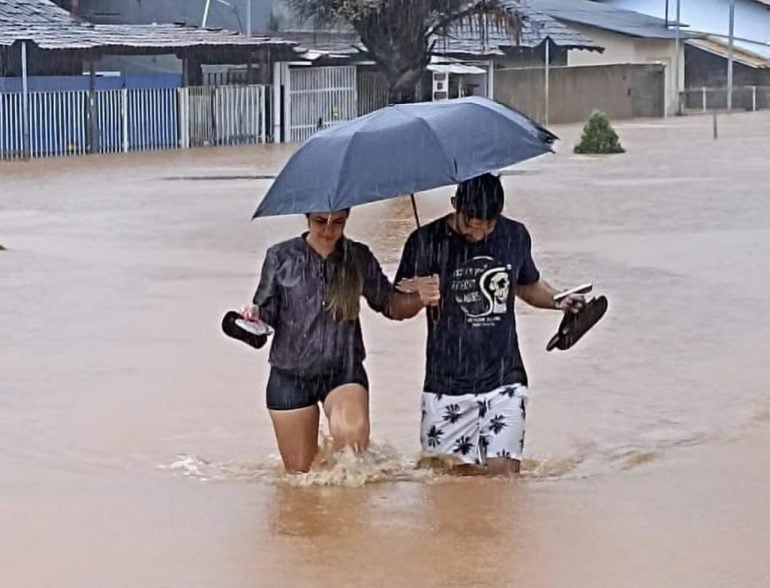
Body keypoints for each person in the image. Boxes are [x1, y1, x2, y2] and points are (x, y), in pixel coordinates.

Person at [395, 173, 584, 475]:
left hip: (504, 379)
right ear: (455, 204)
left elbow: (526, 285)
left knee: (504, 479)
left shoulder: (514, 235)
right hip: (446, 384)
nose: (479, 235)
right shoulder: (424, 241)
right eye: (471, 225)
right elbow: (396, 308)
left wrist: (559, 300)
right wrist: (419, 296)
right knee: (448, 483)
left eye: (488, 225)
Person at [242, 208, 438, 473]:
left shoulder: (358, 256)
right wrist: (254, 317)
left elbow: (390, 305)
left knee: (352, 439)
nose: (328, 230)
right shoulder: (280, 257)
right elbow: (267, 315)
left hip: (343, 370)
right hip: (289, 375)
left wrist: (420, 299)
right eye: (320, 222)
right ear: (307, 218)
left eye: (339, 222)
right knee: (300, 478)